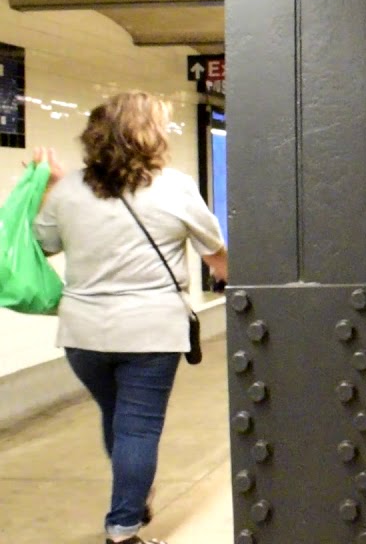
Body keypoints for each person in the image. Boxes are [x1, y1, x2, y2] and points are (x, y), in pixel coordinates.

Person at [32, 92, 227, 544]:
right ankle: (123, 529)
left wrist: (49, 188)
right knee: (138, 427)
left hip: (82, 335)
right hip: (150, 333)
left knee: (117, 416)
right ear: (148, 135)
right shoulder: (175, 187)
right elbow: (218, 260)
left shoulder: (69, 189)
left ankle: (133, 498)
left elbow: (44, 245)